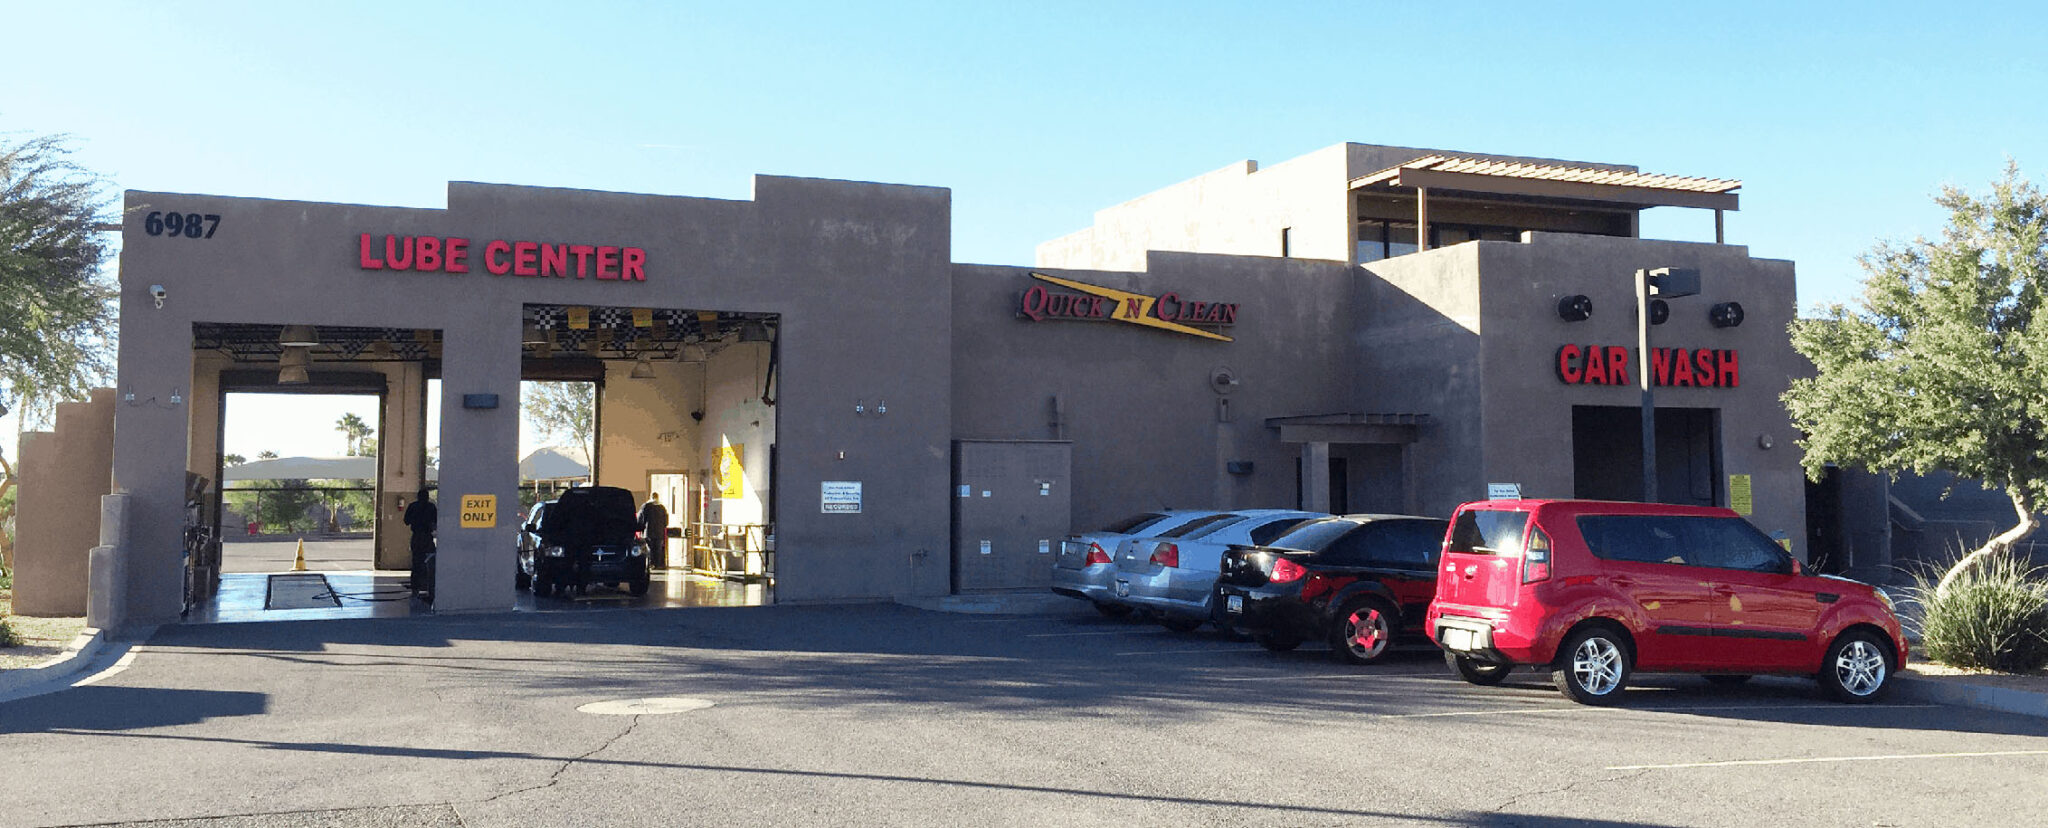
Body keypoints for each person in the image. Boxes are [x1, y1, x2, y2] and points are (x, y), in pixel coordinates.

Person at [403, 486, 437, 602]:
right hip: (427, 538)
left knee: (416, 564)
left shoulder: (413, 506)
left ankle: (415, 590)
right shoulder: (431, 507)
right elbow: (435, 523)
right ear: (427, 497)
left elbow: (406, 521)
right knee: (430, 564)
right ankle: (429, 588)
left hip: (417, 538)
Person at [638, 492, 670, 569]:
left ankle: (651, 564)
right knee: (658, 549)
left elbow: (641, 519)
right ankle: (658, 564)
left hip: (649, 532)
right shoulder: (662, 507)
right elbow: (666, 521)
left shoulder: (646, 506)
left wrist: (640, 528)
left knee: (650, 549)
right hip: (659, 533)